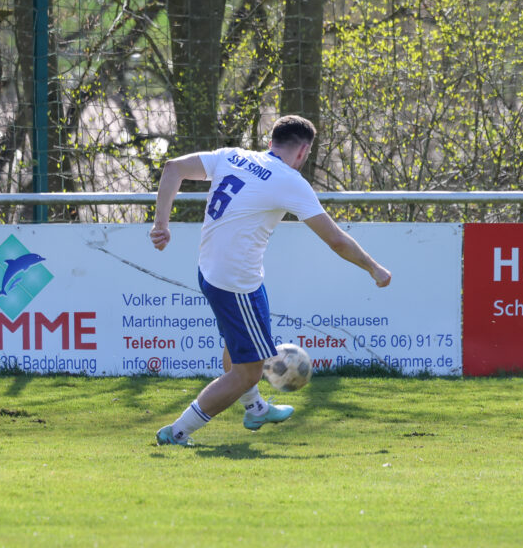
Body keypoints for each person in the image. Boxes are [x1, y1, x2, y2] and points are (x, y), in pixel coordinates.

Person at [150, 115, 392, 446]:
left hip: (215, 271)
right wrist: (373, 268)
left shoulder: (233, 156)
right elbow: (336, 240)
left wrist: (161, 225)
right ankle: (177, 432)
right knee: (247, 371)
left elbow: (173, 168)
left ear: (270, 143)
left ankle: (256, 409)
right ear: (303, 151)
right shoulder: (289, 180)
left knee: (239, 349)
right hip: (235, 282)